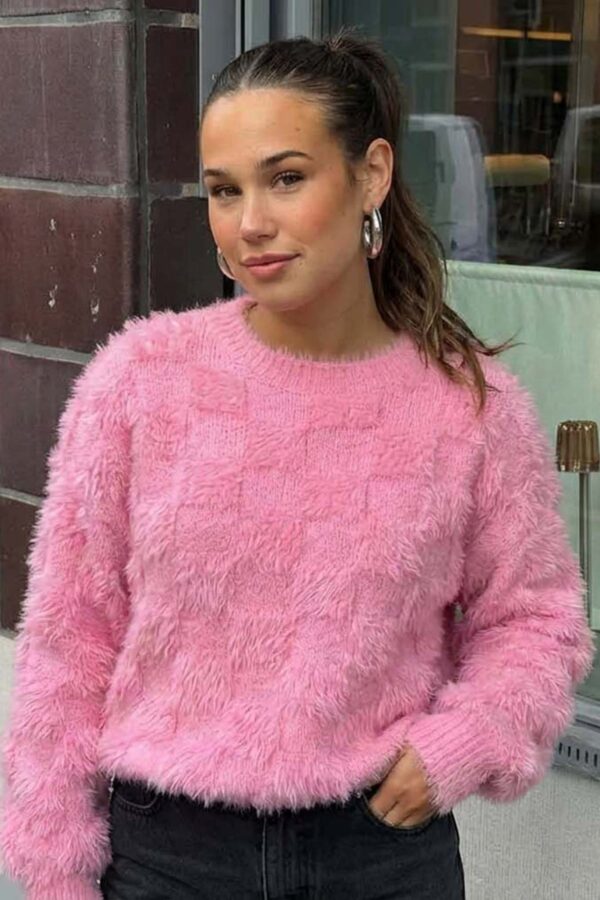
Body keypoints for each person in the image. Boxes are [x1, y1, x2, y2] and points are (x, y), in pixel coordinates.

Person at [0, 27, 595, 900]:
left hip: (380, 852)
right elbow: (70, 640)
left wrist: (464, 742)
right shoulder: (141, 382)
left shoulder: (470, 406)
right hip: (168, 855)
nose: (251, 224)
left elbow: (536, 620)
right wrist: (55, 871)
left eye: (286, 178)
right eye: (224, 190)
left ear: (372, 175)